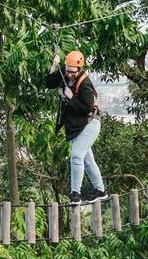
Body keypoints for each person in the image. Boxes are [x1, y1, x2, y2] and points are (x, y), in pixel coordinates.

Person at [46, 50, 107, 204]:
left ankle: (75, 194)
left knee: (76, 156)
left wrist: (71, 97)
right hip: (76, 127)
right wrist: (54, 66)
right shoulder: (65, 76)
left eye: (73, 72)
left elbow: (87, 108)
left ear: (79, 70)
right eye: (67, 70)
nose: (70, 74)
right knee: (87, 160)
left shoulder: (85, 84)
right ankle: (100, 191)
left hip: (89, 124)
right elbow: (49, 83)